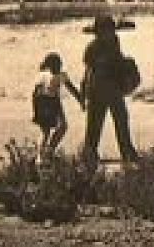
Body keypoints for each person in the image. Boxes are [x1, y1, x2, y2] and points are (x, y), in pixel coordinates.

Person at [78, 14, 140, 168]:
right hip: (97, 88)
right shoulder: (92, 48)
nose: (110, 33)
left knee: (121, 120)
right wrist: (83, 93)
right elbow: (88, 72)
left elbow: (118, 61)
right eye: (106, 30)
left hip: (113, 87)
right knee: (94, 124)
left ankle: (127, 153)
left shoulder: (115, 42)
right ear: (99, 32)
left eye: (111, 30)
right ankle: (89, 154)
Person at [32, 52, 84, 158]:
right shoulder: (43, 75)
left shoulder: (61, 75)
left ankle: (49, 150)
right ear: (51, 66)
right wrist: (36, 110)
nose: (59, 67)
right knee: (46, 131)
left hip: (54, 101)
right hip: (44, 101)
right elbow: (36, 92)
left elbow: (72, 88)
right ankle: (40, 155)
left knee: (62, 126)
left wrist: (81, 101)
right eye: (57, 65)